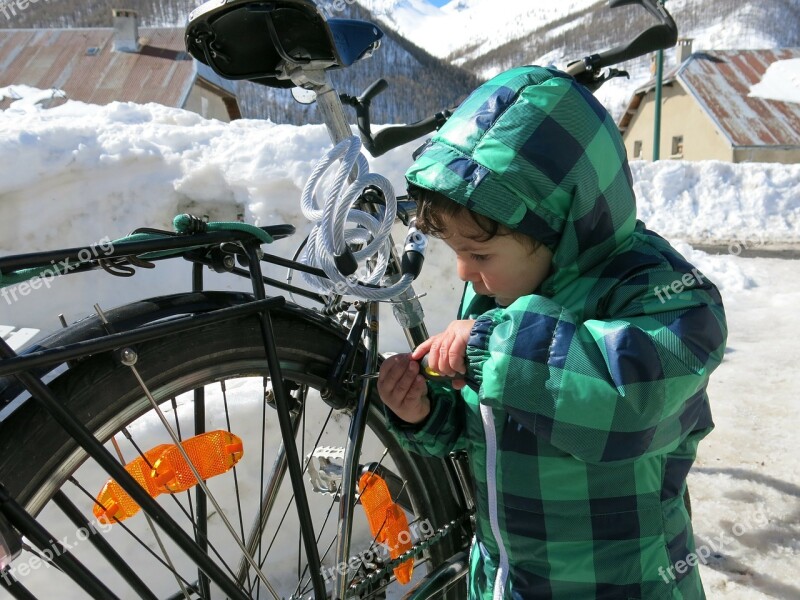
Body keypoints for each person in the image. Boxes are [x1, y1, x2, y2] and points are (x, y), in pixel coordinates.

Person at [377, 65, 727, 600]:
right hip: (506, 580)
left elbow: (625, 405)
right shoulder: (503, 295)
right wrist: (426, 413)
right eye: (458, 255)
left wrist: (492, 346)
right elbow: (492, 426)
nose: (466, 275)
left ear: (560, 226)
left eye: (479, 254)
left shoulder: (668, 296)